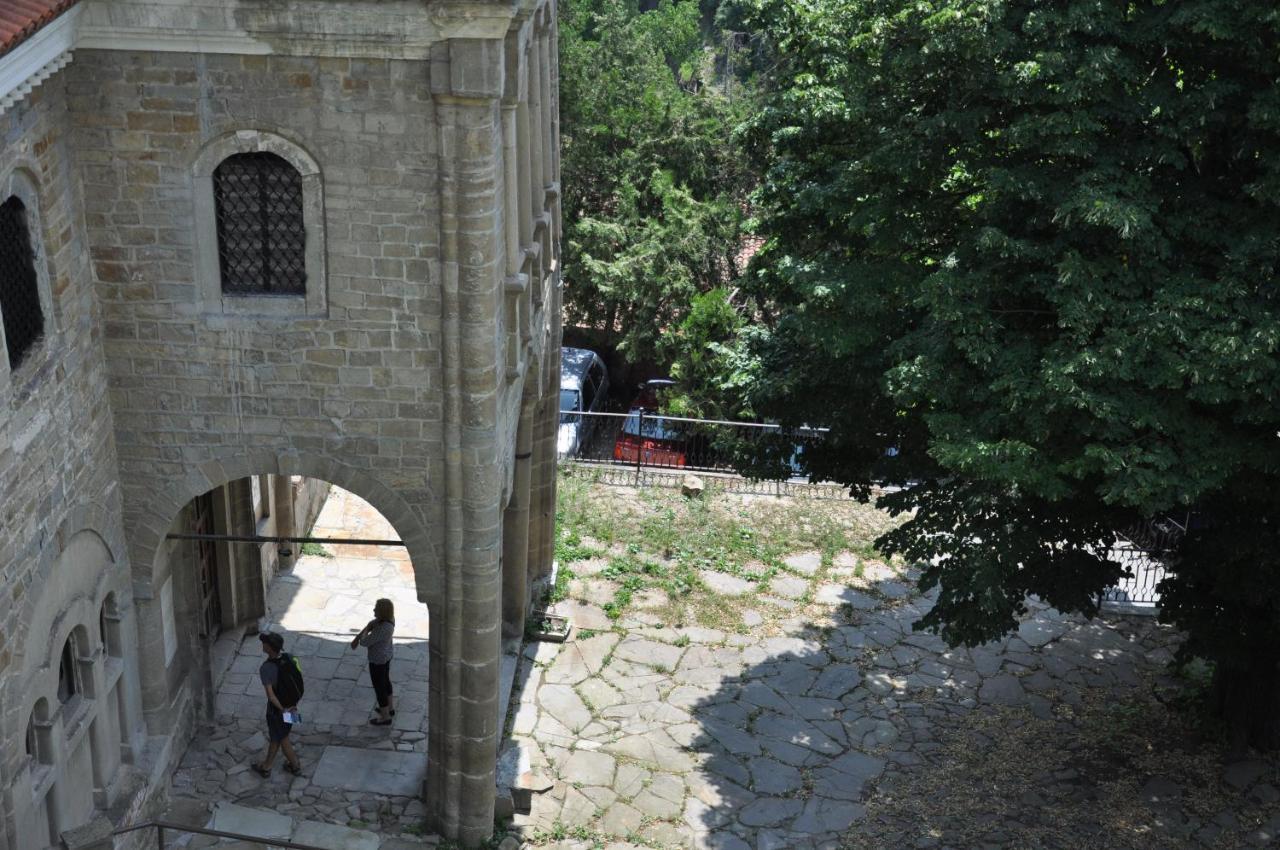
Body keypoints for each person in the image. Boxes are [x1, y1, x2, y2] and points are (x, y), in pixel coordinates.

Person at [252, 631, 303, 776]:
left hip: (278, 710)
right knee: (280, 735)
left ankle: (292, 766)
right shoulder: (291, 657)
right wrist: (290, 706)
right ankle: (270, 765)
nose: (262, 644)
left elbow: (271, 695)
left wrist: (282, 709)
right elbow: (298, 680)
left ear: (269, 647)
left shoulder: (266, 668)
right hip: (293, 706)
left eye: (264, 643)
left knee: (281, 737)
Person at [351, 598, 396, 725]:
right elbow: (372, 622)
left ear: (382, 612)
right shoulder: (389, 619)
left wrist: (364, 632)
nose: (374, 610)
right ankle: (390, 708)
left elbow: (365, 642)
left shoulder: (383, 628)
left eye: (376, 608)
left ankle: (385, 716)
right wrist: (367, 627)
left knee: (379, 687)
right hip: (386, 656)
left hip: (378, 661)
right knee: (386, 681)